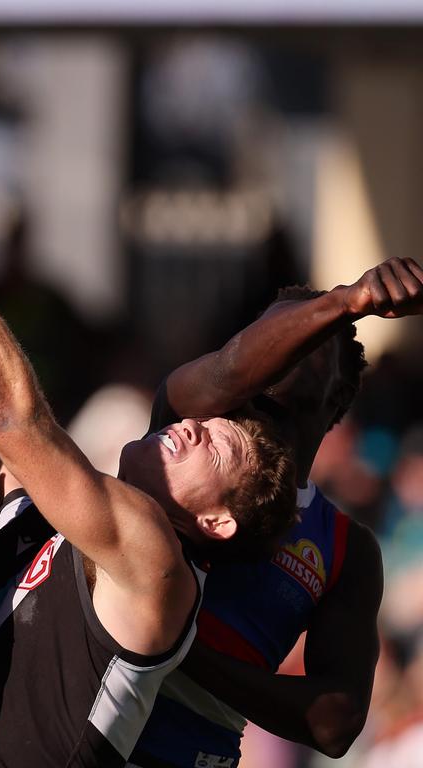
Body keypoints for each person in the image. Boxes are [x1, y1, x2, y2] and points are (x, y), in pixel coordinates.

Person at [0, 113, 297, 767]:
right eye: (203, 424)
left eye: (218, 446)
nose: (193, 425)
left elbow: (8, 417)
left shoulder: (157, 564)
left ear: (217, 521)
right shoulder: (37, 515)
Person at [129, 258, 423, 767]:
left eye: (313, 332)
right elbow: (229, 368)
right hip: (77, 728)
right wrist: (344, 302)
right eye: (271, 328)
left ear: (336, 395)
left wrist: (180, 649)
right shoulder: (188, 421)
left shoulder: (345, 549)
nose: (284, 338)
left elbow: (335, 722)